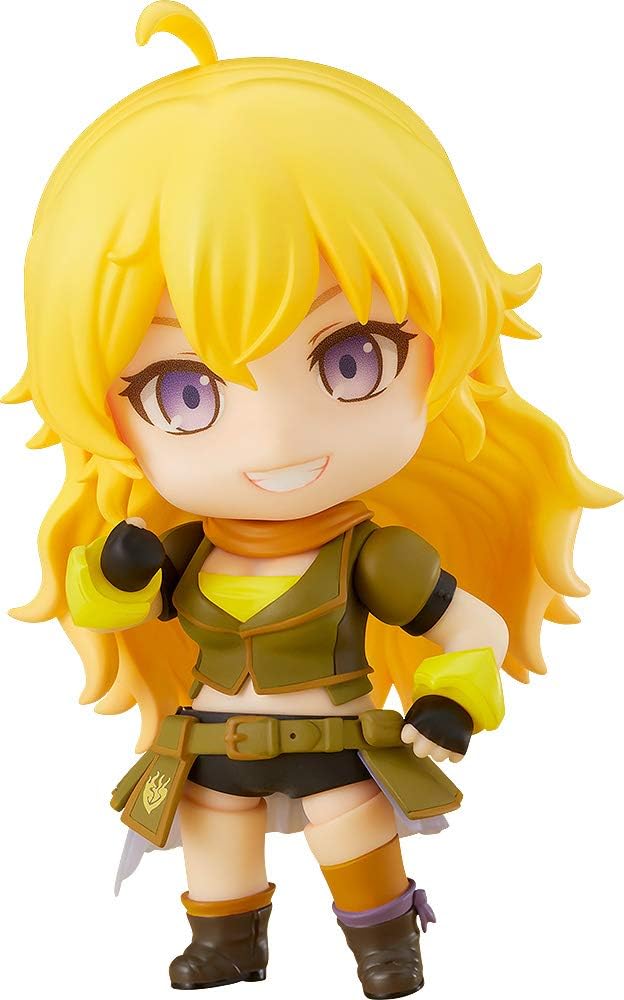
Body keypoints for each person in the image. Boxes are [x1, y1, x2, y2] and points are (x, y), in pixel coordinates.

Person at [4, 2, 618, 995]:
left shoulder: (375, 555)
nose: (277, 442)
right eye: (185, 392)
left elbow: (471, 625)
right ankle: (227, 940)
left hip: (334, 741)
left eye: (350, 358)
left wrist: (453, 700)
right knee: (213, 826)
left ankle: (385, 940)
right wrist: (115, 567)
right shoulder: (183, 550)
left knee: (352, 826)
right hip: (214, 744)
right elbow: (110, 609)